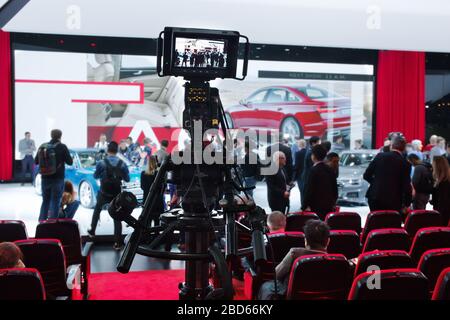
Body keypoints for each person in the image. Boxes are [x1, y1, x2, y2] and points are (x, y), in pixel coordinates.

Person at [258, 220, 330, 300]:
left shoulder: (295, 253)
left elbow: (277, 274)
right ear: (328, 241)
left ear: (305, 241)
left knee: (265, 287)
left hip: (293, 296)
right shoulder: (337, 260)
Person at [88, 141, 130, 250]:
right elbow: (127, 179)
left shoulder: (102, 163)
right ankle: (117, 243)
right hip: (116, 195)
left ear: (107, 150)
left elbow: (95, 176)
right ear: (117, 151)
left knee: (97, 209)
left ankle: (92, 231)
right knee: (117, 217)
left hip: (104, 193)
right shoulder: (122, 163)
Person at [363, 136, 412, 213]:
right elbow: (406, 185)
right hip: (394, 200)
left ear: (391, 146)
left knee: (375, 222)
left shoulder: (380, 156)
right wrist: (407, 204)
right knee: (391, 223)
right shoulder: (405, 163)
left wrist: (376, 183)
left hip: (375, 197)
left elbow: (366, 175)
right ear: (404, 148)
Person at [35, 129, 73, 221]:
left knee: (45, 201)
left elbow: (36, 161)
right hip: (57, 179)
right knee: (55, 202)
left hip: (45, 178)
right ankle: (51, 225)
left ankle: (41, 223)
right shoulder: (62, 147)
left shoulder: (43, 146)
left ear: (51, 136)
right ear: (60, 136)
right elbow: (70, 162)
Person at [302, 145, 338, 220]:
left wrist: (304, 205)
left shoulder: (313, 171)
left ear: (313, 156)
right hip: (328, 205)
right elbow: (335, 189)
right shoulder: (330, 170)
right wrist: (333, 202)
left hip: (315, 206)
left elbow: (308, 190)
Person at [140, 155, 165, 227]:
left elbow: (142, 187)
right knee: (157, 224)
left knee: (147, 223)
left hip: (147, 201)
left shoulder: (143, 174)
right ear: (156, 162)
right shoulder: (159, 174)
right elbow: (162, 188)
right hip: (157, 201)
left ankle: (147, 238)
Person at [430, 156, 450, 226]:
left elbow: (443, 202)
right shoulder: (444, 180)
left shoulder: (443, 183)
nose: (432, 168)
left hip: (441, 214)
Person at [293, 139, 307, 203]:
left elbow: (297, 166)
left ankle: (303, 205)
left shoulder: (298, 153)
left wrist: (294, 178)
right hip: (307, 174)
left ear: (299, 145)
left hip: (300, 175)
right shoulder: (308, 152)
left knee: (301, 191)